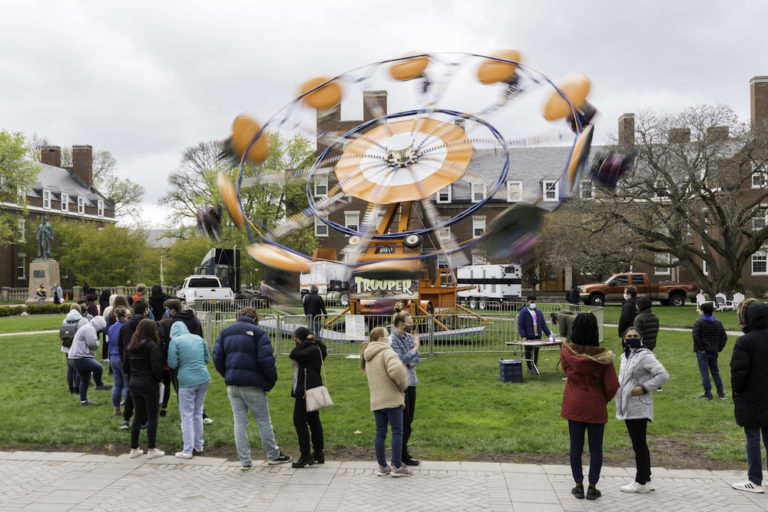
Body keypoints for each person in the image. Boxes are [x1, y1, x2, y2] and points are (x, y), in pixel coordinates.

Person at [212, 307, 291, 470]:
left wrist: (227, 375)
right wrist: (270, 381)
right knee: (263, 421)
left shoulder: (225, 332)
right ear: (255, 319)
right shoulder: (259, 333)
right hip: (253, 384)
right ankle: (273, 454)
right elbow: (267, 361)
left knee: (239, 422)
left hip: (233, 384)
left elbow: (217, 358)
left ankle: (244, 460)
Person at [561, 313, 619, 500]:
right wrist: (602, 399)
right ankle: (592, 487)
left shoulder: (567, 353)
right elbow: (612, 385)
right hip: (595, 404)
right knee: (596, 448)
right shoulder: (604, 358)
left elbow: (566, 370)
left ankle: (578, 485)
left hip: (574, 403)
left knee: (575, 447)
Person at [616, 327, 669, 493]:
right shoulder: (624, 356)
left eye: (635, 336)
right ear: (624, 339)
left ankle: (640, 481)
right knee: (638, 444)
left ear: (641, 339)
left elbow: (663, 375)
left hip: (639, 406)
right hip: (627, 406)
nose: (632, 338)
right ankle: (646, 479)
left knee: (639, 444)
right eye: (629, 336)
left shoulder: (645, 355)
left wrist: (644, 387)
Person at [361, 326, 411, 477]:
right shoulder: (387, 352)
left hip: (376, 399)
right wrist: (403, 386)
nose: (389, 338)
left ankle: (382, 466)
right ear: (381, 339)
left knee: (380, 433)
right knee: (397, 432)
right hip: (391, 399)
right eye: (387, 335)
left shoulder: (368, 354)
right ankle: (397, 466)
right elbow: (396, 371)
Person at [730, 300, 768, 493]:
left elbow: (738, 372)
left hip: (751, 396)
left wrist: (737, 390)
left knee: (752, 438)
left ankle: (754, 480)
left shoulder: (745, 341)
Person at [168, 321, 211, 459]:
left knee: (186, 415)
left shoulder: (175, 341)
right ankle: (198, 445)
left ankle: (187, 450)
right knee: (198, 412)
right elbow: (207, 359)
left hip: (187, 381)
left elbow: (172, 363)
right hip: (204, 378)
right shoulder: (198, 338)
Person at [122, 319, 165, 459]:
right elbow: (156, 367)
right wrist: (158, 379)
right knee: (152, 417)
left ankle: (134, 449)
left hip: (134, 383)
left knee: (138, 416)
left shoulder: (131, 346)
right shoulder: (151, 346)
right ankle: (151, 449)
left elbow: (125, 367)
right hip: (149, 384)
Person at [289, 326, 327, 468]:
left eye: (296, 339)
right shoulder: (317, 348)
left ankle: (305, 455)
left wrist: (305, 342)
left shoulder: (309, 350)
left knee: (299, 421)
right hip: (314, 387)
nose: (295, 342)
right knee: (313, 420)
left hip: (305, 390)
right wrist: (307, 341)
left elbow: (293, 354)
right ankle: (318, 453)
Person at [389, 304, 421, 466]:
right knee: (402, 421)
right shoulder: (393, 340)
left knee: (410, 420)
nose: (412, 324)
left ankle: (403, 451)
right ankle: (401, 454)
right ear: (401, 324)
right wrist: (414, 349)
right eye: (409, 322)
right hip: (401, 384)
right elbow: (399, 360)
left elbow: (416, 359)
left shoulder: (408, 338)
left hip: (412, 381)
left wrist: (411, 356)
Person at [117, 299, 151, 429]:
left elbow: (120, 346)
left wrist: (124, 361)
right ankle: (143, 420)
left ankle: (126, 419)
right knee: (146, 393)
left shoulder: (124, 326)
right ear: (145, 310)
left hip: (130, 362)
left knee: (132, 391)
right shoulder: (148, 324)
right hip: (145, 362)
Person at [68, 316, 111, 405]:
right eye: (101, 328)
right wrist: (98, 343)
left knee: (85, 379)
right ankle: (99, 385)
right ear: (99, 325)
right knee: (98, 367)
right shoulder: (89, 329)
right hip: (79, 357)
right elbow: (92, 345)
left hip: (73, 357)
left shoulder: (87, 327)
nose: (101, 330)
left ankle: (83, 401)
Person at [693, 302, 728, 400]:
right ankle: (721, 394)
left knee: (705, 374)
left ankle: (708, 394)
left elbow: (696, 337)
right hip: (714, 351)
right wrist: (719, 348)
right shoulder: (718, 323)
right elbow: (724, 337)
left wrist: (701, 348)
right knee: (716, 373)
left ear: (702, 312)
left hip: (702, 352)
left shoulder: (698, 323)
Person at [517, 295, 552, 375]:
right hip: (528, 336)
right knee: (528, 352)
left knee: (536, 352)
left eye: (534, 302)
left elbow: (543, 323)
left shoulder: (538, 311)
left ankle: (535, 367)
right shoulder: (523, 312)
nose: (533, 303)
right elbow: (521, 325)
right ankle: (529, 368)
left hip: (537, 336)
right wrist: (523, 336)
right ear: (527, 302)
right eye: (531, 302)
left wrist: (548, 334)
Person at [61, 304, 89, 394]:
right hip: (79, 347)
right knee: (79, 369)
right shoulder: (83, 320)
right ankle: (77, 387)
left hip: (67, 347)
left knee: (70, 368)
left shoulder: (65, 320)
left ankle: (71, 388)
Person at [107, 307, 129, 417]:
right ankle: (129, 408)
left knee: (117, 384)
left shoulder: (111, 327)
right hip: (122, 357)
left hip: (113, 357)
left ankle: (116, 409)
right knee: (126, 384)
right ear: (123, 316)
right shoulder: (126, 327)